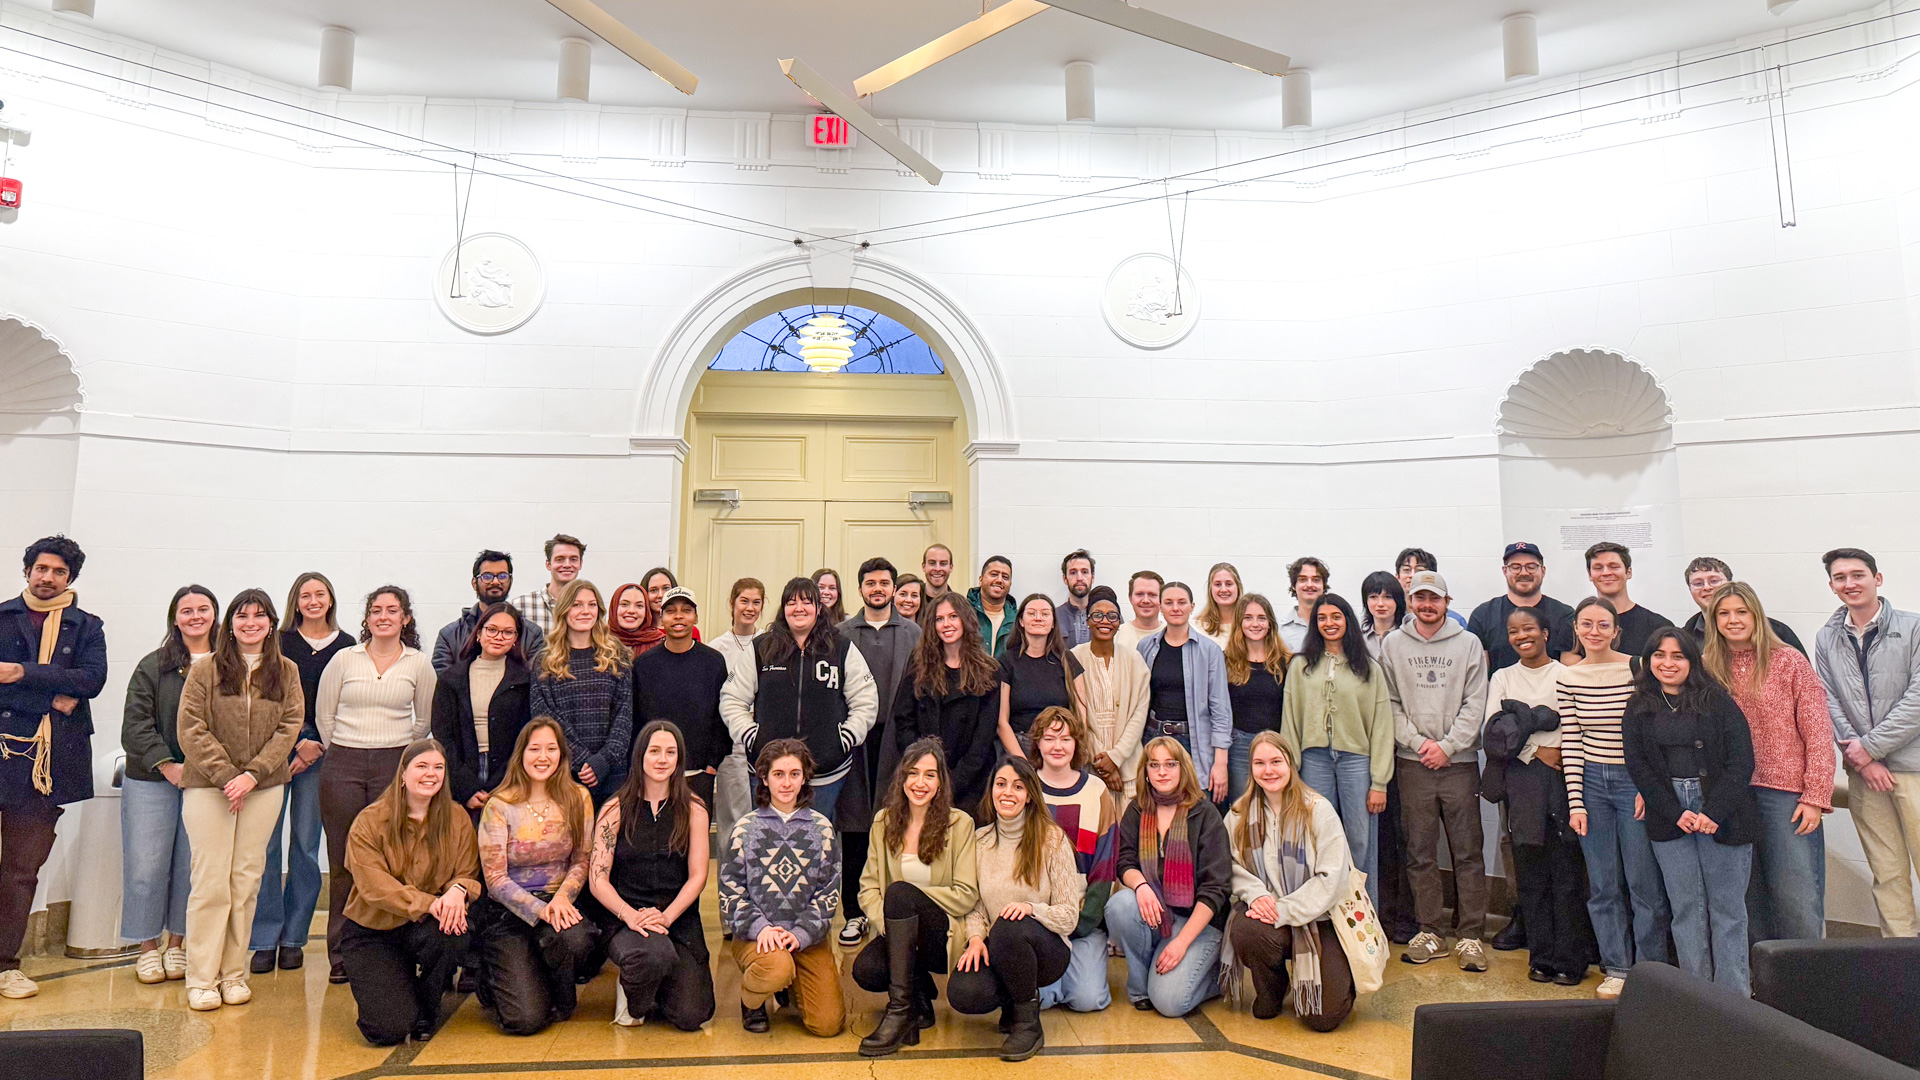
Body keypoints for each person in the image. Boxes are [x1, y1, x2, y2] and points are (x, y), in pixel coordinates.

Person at [176, 588, 305, 1010]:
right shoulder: (206, 669)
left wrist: (252, 775)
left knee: (246, 882)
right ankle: (201, 977)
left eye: (259, 616)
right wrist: (228, 775)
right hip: (209, 788)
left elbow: (290, 728)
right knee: (211, 883)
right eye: (242, 615)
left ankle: (233, 973)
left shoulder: (286, 671)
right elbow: (191, 727)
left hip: (263, 788)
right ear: (229, 623)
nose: (251, 623)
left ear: (271, 624)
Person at [1622, 630, 1759, 994]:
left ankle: (1733, 1000)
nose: (1668, 663)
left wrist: (1713, 811)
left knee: (1727, 911)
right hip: (1670, 811)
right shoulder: (1639, 705)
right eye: (1660, 655)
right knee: (1686, 909)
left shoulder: (1717, 700)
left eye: (1678, 656)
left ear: (1692, 661)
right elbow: (1638, 766)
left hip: (1722, 811)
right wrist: (1672, 812)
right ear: (1648, 660)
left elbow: (1742, 761)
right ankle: (1696, 997)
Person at [0, 536, 107, 1000]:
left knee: (21, 870)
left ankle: (5, 965)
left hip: (45, 768)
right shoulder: (2, 616)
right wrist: (54, 696)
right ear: (27, 571)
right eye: (41, 568)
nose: (48, 578)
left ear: (71, 578)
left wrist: (22, 673)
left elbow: (92, 680)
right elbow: (70, 686)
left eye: (59, 572)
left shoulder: (87, 626)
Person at [316, 585, 437, 984]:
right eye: (376, 610)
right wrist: (350, 750)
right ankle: (342, 953)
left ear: (406, 618)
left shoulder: (418, 663)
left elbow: (422, 722)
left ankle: (396, 948)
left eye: (393, 610)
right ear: (367, 618)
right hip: (344, 764)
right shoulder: (343, 659)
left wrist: (396, 757)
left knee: (395, 859)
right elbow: (325, 717)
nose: (384, 616)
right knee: (343, 862)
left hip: (394, 764)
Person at [1699, 582, 1832, 943]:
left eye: (1741, 612)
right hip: (1731, 793)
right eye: (1724, 613)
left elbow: (1818, 730)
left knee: (1796, 894)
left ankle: (1807, 984)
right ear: (1713, 620)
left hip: (1785, 795)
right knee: (1746, 895)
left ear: (1756, 615)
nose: (1733, 620)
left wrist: (1815, 796)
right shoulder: (1706, 667)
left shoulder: (1789, 660)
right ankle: (1762, 982)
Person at [1561, 596, 1670, 998]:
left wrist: (1646, 785)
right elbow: (1571, 739)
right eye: (1586, 624)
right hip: (1591, 784)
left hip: (1632, 781)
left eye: (1602, 625)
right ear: (1576, 628)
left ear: (1615, 629)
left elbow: (1650, 732)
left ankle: (1650, 971)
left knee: (1643, 883)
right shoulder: (1568, 676)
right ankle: (1618, 967)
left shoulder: (1636, 669)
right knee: (1604, 885)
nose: (1594, 631)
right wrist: (1576, 800)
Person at [1381, 571, 1490, 971]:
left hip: (1458, 765)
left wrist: (1447, 747)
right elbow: (1388, 703)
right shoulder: (1393, 644)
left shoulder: (1469, 644)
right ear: (1410, 601)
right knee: (1420, 852)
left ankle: (1471, 937)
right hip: (1413, 764)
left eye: (1435, 599)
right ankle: (1430, 931)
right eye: (1420, 598)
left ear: (1447, 601)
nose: (1427, 605)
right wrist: (1418, 743)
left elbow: (1476, 703)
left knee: (1467, 853)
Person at [338, 739, 479, 1045]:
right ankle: (398, 987)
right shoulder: (369, 821)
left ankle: (428, 1008)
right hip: (373, 930)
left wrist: (459, 890)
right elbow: (375, 888)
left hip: (425, 926)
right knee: (387, 1030)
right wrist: (431, 903)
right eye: (422, 766)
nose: (431, 774)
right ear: (402, 773)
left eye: (438, 768)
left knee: (453, 934)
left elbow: (468, 873)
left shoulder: (457, 818)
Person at [1812, 547, 1920, 938]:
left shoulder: (1914, 627)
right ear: (1831, 586)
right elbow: (1828, 699)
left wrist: (1871, 748)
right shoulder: (1827, 637)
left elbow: (1917, 699)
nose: (1849, 583)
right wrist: (1862, 759)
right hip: (1863, 773)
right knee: (1887, 872)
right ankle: (1902, 957)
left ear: (1877, 578)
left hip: (1913, 768)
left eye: (1857, 575)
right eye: (1840, 578)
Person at [1482, 606, 1591, 986]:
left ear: (1545, 633)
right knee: (1531, 875)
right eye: (1514, 631)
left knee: (1565, 874)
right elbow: (1495, 733)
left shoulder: (1566, 675)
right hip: (1522, 782)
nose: (1521, 635)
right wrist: (1536, 749)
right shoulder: (1502, 677)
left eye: (1528, 628)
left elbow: (1574, 723)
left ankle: (1570, 959)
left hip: (1564, 783)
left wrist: (1525, 726)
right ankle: (1541, 956)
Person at [949, 756, 1083, 1062]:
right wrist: (975, 939)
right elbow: (975, 905)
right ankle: (1010, 1001)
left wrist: (1031, 909)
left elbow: (1069, 916)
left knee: (1011, 923)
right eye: (1001, 784)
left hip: (1046, 951)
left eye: (1018, 787)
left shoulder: (1052, 838)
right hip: (998, 947)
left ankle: (1028, 1023)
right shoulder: (979, 841)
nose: (1008, 792)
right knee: (964, 993)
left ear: (1030, 796)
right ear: (991, 790)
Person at [853, 739, 980, 1057]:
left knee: (899, 893)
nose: (920, 783)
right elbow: (868, 888)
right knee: (866, 969)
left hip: (941, 934)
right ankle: (918, 1005)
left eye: (930, 775)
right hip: (899, 932)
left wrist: (907, 901)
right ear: (902, 778)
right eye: (913, 773)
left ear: (940, 782)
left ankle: (899, 1012)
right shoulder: (883, 822)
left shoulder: (960, 824)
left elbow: (966, 895)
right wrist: (888, 922)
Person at [1224, 732, 1357, 1031]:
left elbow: (1331, 878)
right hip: (1268, 917)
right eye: (1260, 763)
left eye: (1276, 761)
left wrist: (1284, 910)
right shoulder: (1239, 814)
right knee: (1245, 928)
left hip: (1319, 919)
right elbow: (1229, 865)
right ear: (1252, 768)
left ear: (1291, 763)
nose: (1268, 770)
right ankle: (1272, 988)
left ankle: (1339, 980)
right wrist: (1255, 894)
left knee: (1323, 1019)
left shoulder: (1317, 810)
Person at [721, 577, 878, 827]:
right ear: (783, 609)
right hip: (768, 775)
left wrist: (845, 737)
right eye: (791, 602)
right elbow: (732, 698)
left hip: (826, 776)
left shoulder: (841, 647)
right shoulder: (762, 647)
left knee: (817, 846)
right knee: (767, 846)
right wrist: (751, 736)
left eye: (807, 602)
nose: (799, 608)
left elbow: (866, 699)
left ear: (818, 608)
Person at [473, 717, 596, 1036]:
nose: (543, 757)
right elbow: (495, 880)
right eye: (535, 748)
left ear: (561, 755)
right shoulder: (499, 804)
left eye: (551, 749)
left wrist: (560, 900)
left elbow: (582, 859)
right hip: (508, 914)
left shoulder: (578, 797)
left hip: (558, 903)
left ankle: (541, 972)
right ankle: (494, 973)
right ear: (521, 754)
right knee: (525, 1021)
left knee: (578, 941)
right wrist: (540, 910)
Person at [253, 572, 350, 974]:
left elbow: (346, 703)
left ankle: (294, 937)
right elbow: (266, 700)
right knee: (266, 847)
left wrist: (317, 744)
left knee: (306, 848)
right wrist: (292, 744)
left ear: (330, 600)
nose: (313, 601)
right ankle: (263, 938)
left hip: (321, 753)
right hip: (276, 751)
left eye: (320, 594)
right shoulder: (278, 644)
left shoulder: (348, 648)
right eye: (305, 595)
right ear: (295, 601)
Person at [590, 720, 716, 1031]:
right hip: (626, 917)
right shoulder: (614, 809)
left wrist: (668, 917)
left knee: (693, 1015)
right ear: (640, 757)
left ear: (679, 759)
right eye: (654, 751)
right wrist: (630, 916)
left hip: (677, 917)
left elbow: (698, 876)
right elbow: (598, 879)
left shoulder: (695, 809)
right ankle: (637, 988)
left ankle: (653, 984)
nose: (662, 759)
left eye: (670, 752)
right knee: (652, 956)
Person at [121, 585, 216, 984]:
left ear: (215, 614)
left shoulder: (228, 665)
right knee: (146, 867)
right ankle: (146, 947)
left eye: (203, 608)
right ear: (174, 619)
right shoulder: (152, 665)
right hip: (152, 779)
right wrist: (167, 765)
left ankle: (176, 945)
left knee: (190, 867)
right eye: (186, 610)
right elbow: (135, 724)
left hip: (208, 783)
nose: (195, 616)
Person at [719, 739, 844, 1037]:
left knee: (827, 1025)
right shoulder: (745, 830)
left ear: (804, 778)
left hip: (806, 938)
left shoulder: (822, 829)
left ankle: (790, 984)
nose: (786, 783)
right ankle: (752, 1000)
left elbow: (828, 894)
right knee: (776, 969)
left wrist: (800, 934)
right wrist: (761, 928)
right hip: (757, 938)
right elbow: (730, 893)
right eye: (778, 774)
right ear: (764, 777)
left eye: (794, 774)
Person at [1280, 594, 1393, 911]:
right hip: (1313, 761)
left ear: (1348, 621)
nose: (1329, 623)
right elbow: (1290, 720)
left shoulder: (1368, 668)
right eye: (1322, 618)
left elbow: (1382, 726)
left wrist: (1379, 781)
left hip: (1356, 762)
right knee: (1317, 836)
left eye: (1336, 616)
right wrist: (1292, 772)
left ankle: (1361, 914)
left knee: (1359, 839)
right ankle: (1321, 912)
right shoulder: (1301, 666)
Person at [1105, 737, 1232, 1018]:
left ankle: (1214, 977)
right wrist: (1141, 886)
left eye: (1170, 764)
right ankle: (1141, 989)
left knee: (1171, 1004)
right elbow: (1124, 861)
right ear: (1146, 772)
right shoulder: (1138, 809)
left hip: (1201, 923)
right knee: (1120, 905)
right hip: (1161, 915)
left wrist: (1181, 943)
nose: (1162, 772)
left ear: (1182, 768)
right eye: (1155, 765)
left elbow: (1216, 888)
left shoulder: (1205, 813)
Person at [837, 558, 923, 949]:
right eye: (870, 583)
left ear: (893, 588)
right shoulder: (839, 634)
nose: (878, 589)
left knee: (897, 826)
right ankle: (854, 914)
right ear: (860, 589)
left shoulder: (914, 634)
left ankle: (896, 913)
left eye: (884, 583)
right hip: (852, 743)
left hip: (898, 742)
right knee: (854, 829)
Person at [1030, 707, 1120, 1014]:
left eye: (1066, 738)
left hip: (1083, 921)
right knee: (1038, 1000)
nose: (1058, 746)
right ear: (1037, 744)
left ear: (1076, 744)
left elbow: (1106, 864)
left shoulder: (1096, 791)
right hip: (1038, 918)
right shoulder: (1025, 789)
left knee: (1087, 1000)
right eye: (1050, 738)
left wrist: (1083, 922)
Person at [893, 593, 1002, 816]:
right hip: (923, 781)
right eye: (939, 619)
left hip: (972, 782)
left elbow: (982, 740)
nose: (946, 624)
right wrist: (925, 773)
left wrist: (951, 783)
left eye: (953, 616)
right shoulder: (918, 666)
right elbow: (904, 722)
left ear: (966, 620)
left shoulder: (989, 671)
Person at [530, 580, 633, 806]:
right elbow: (545, 718)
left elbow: (624, 717)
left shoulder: (617, 656)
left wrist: (602, 761)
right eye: (577, 605)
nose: (585, 611)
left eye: (592, 605)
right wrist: (583, 760)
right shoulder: (544, 661)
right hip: (563, 774)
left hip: (612, 774)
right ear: (564, 610)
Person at [431, 603, 532, 820]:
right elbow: (443, 735)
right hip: (461, 773)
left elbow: (526, 736)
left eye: (508, 632)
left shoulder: (524, 680)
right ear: (479, 633)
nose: (498, 637)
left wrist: (501, 783)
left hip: (509, 777)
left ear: (516, 638)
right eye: (492, 629)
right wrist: (466, 788)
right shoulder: (451, 678)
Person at [632, 588, 730, 809]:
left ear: (695, 617)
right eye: (671, 611)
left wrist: (712, 765)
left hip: (699, 774)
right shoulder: (644, 665)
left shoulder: (713, 662)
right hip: (654, 773)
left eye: (686, 610)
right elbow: (636, 720)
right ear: (661, 618)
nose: (678, 616)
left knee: (696, 840)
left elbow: (722, 717)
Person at [1140, 582, 1233, 805]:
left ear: (1192, 607)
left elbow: (1220, 710)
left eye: (1182, 602)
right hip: (1154, 738)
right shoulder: (1146, 647)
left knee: (1196, 810)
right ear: (1160, 607)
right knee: (1158, 810)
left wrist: (1220, 763)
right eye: (1169, 603)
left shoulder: (1210, 651)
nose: (1176, 608)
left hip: (1194, 742)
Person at [1070, 586, 1150, 798]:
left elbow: (1139, 715)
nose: (1104, 621)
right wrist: (1102, 763)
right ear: (1087, 621)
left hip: (1129, 765)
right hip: (1087, 765)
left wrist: (1116, 758)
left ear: (1119, 623)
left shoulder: (1135, 661)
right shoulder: (1073, 658)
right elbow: (1077, 716)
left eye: (1112, 616)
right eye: (1097, 615)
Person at [708, 578, 764, 851]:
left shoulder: (770, 644)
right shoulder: (715, 649)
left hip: (764, 744)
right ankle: (730, 891)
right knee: (734, 825)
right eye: (744, 601)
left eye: (756, 602)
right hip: (731, 748)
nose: (749, 608)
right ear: (732, 604)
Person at [998, 593, 1086, 757]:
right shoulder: (1007, 662)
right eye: (1031, 613)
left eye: (1045, 614)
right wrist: (1022, 762)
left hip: (1059, 747)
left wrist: (1068, 751)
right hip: (1020, 746)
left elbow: (1082, 716)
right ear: (1021, 621)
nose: (1038, 618)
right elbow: (1001, 722)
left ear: (1053, 622)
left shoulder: (1068, 660)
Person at [1224, 593, 1292, 805]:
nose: (1255, 624)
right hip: (1240, 746)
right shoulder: (1225, 661)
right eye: (1248, 618)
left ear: (1270, 624)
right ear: (1239, 623)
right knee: (1242, 806)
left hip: (1278, 743)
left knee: (1276, 805)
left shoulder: (1287, 662)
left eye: (1261, 618)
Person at [1468, 542, 1578, 672]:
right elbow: (1479, 674)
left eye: (1531, 567)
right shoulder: (1483, 615)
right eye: (1515, 567)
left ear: (1543, 571)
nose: (1524, 573)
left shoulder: (1565, 615)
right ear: (1505, 571)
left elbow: (1570, 672)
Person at [1682, 558, 1806, 654]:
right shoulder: (1684, 638)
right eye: (1698, 583)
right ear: (1689, 589)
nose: (1707, 587)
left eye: (1714, 581)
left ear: (1730, 584)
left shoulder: (1777, 632)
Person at [1585, 542, 1672, 657]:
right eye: (1598, 568)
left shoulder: (1658, 626)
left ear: (1629, 572)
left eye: (1614, 566)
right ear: (1590, 575)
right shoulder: (1581, 627)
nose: (1606, 573)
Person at [434, 550, 516, 672]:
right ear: (474, 583)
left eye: (502, 576)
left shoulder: (530, 633)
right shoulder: (449, 636)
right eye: (487, 576)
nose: (495, 582)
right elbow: (443, 684)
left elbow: (534, 682)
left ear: (510, 581)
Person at [512, 534, 586, 640]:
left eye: (573, 559)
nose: (567, 565)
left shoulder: (589, 607)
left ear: (580, 564)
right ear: (548, 564)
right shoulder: (521, 605)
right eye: (560, 559)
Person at [1395, 549, 1468, 628]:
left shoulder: (1455, 621)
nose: (1412, 575)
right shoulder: (1390, 619)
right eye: (1406, 570)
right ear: (1397, 577)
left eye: (1419, 570)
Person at [1277, 558, 1329, 653]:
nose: (1309, 585)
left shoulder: (1334, 625)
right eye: (1303, 579)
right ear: (1294, 585)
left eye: (1316, 580)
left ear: (1323, 585)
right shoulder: (1280, 630)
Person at [969, 556, 1016, 657]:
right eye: (994, 574)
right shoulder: (963, 612)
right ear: (980, 580)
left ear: (1010, 584)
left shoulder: (1018, 620)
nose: (999, 580)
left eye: (1005, 577)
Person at [608, 582, 664, 660]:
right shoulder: (600, 642)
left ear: (646, 612)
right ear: (614, 608)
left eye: (639, 606)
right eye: (624, 604)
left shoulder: (660, 644)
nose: (632, 611)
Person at [1115, 571, 1165, 654]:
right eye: (1140, 594)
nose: (1146, 600)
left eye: (1152, 595)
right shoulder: (1116, 635)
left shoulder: (1172, 635)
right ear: (1130, 598)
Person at [1360, 571, 1406, 661]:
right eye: (1373, 597)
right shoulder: (1359, 638)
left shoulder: (1408, 636)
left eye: (1387, 597)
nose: (1380, 604)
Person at [1055, 550, 1096, 648]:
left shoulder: (1109, 615)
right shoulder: (1054, 616)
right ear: (1065, 579)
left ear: (1092, 577)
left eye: (1084, 572)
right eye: (1073, 572)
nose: (1079, 578)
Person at [1199, 562, 1244, 650]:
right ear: (1210, 589)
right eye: (1218, 584)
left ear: (1238, 587)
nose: (1223, 589)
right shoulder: (1198, 628)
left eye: (1229, 584)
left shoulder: (1249, 625)